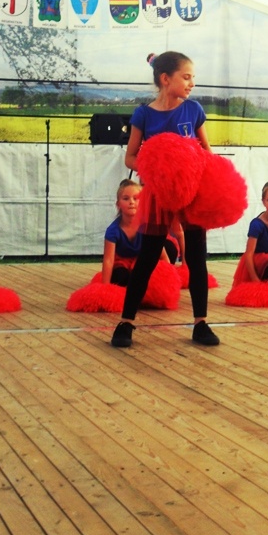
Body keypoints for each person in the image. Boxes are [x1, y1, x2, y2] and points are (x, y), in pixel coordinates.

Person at [111, 51, 219, 348]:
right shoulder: (144, 115)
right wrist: (158, 167)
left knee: (196, 258)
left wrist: (198, 167)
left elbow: (207, 152)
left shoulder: (193, 110)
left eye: (193, 77)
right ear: (165, 79)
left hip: (191, 194)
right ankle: (126, 323)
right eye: (186, 77)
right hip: (158, 193)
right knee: (147, 258)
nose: (192, 83)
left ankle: (201, 323)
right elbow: (130, 158)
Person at [102, 178, 183, 286]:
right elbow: (108, 260)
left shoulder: (147, 225)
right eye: (126, 198)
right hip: (123, 262)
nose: (131, 202)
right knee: (121, 277)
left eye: (136, 198)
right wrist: (105, 287)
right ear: (118, 204)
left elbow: (162, 254)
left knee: (169, 251)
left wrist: (170, 277)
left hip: (142, 260)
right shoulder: (113, 231)